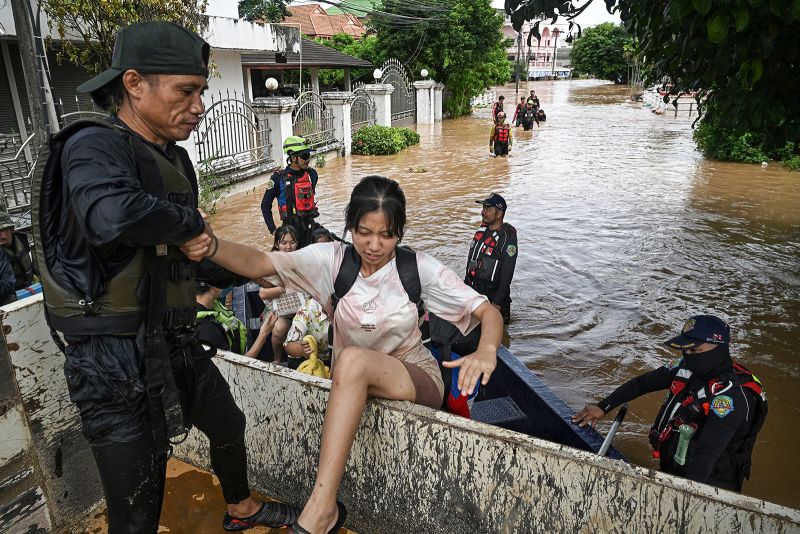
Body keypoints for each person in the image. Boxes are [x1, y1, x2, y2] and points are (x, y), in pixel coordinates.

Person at [35, 22, 296, 532]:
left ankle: (240, 508)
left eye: (201, 91)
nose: (199, 104)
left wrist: (274, 272)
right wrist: (191, 225)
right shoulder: (93, 146)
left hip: (173, 337)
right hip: (112, 355)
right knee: (138, 499)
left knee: (226, 422)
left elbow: (186, 256)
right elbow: (111, 216)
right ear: (134, 84)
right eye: (186, 90)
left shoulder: (172, 158)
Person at [181, 175, 504, 534]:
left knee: (350, 361)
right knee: (350, 365)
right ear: (350, 225)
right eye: (364, 232)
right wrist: (210, 246)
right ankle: (324, 509)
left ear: (400, 233)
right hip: (352, 379)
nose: (375, 245)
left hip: (415, 377)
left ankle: (322, 509)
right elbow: (261, 264)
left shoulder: (418, 268)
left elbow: (488, 312)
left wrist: (486, 350)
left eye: (387, 235)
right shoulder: (330, 262)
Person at [572, 315, 767, 492]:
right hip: (675, 467)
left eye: (694, 349)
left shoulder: (731, 398)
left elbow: (707, 453)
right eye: (685, 349)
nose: (687, 355)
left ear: (719, 347)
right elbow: (643, 383)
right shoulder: (687, 368)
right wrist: (603, 406)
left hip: (711, 485)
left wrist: (684, 498)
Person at [465, 193, 518, 326]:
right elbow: (471, 261)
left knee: (499, 339)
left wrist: (497, 303)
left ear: (499, 213)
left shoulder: (508, 238)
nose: (483, 212)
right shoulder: (482, 230)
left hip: (495, 299)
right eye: (483, 208)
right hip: (476, 294)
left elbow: (507, 273)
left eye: (488, 209)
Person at [261, 136, 320, 247]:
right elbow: (265, 204)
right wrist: (273, 230)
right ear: (293, 158)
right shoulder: (277, 178)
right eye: (305, 156)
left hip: (310, 230)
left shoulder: (312, 174)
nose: (308, 159)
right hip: (289, 233)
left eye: (309, 156)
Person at [196, 281, 278, 358]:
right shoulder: (209, 330)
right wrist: (263, 334)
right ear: (215, 287)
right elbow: (236, 367)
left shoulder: (210, 304)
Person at [259, 225, 304, 364]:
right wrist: (284, 287)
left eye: (292, 242)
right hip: (279, 311)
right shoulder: (270, 263)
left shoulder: (304, 260)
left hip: (301, 308)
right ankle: (277, 358)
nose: (288, 247)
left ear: (297, 243)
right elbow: (262, 294)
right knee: (279, 329)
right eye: (284, 243)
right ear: (277, 244)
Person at [0, 211, 35, 291]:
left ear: (12, 229)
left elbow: (38, 267)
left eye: (2, 230)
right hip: (10, 299)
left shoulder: (23, 242)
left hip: (32, 289)